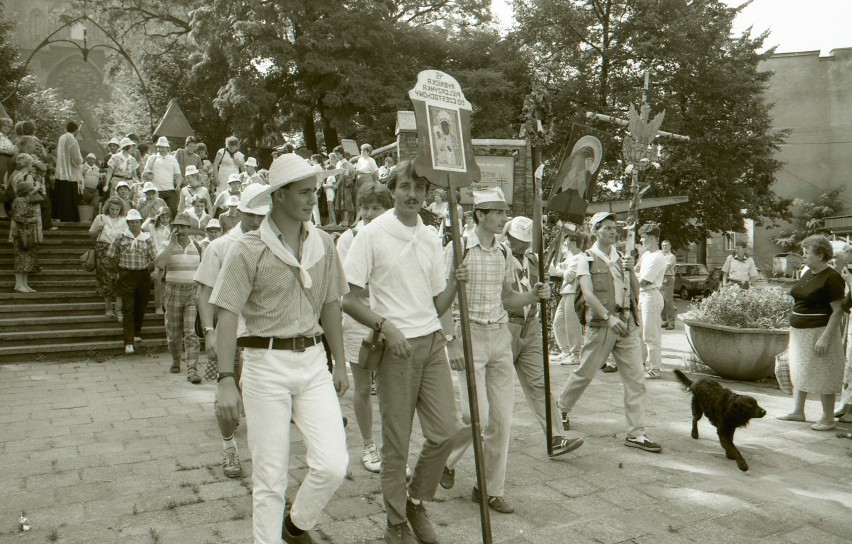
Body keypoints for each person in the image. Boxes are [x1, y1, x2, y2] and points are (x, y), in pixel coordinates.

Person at [211, 154, 348, 543]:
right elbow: (226, 314)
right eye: (303, 192)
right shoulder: (247, 249)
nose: (311, 200)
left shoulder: (323, 243)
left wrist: (339, 364)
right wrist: (225, 379)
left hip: (314, 361)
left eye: (314, 192)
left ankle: (296, 525)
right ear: (280, 196)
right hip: (264, 364)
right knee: (270, 478)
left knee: (333, 465)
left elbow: (331, 306)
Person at [342, 160, 467, 544]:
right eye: (405, 186)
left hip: (430, 343)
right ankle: (396, 521)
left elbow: (435, 304)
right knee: (396, 444)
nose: (412, 194)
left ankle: (414, 498)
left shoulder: (430, 236)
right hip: (394, 348)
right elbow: (348, 298)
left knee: (447, 431)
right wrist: (385, 325)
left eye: (419, 188)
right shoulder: (372, 233)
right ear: (392, 189)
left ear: (428, 194)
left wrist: (455, 281)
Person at [440, 188, 550, 515]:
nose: (504, 218)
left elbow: (506, 298)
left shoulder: (503, 253)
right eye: (498, 212)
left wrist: (532, 296)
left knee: (501, 421)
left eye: (504, 212)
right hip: (469, 335)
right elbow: (443, 299)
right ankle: (444, 461)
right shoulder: (457, 249)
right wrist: (452, 340)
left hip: (499, 336)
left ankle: (489, 490)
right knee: (477, 415)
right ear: (480, 215)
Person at [556, 212, 663, 453]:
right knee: (585, 372)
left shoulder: (622, 258)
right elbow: (588, 294)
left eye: (614, 228)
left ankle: (636, 433)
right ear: (595, 231)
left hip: (627, 325)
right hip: (603, 325)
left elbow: (635, 292)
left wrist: (630, 271)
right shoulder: (587, 258)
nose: (613, 232)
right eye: (606, 228)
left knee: (636, 380)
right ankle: (561, 409)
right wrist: (607, 316)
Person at [195, 183, 269, 479]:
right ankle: (229, 448)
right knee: (227, 396)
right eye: (252, 215)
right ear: (240, 211)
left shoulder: (272, 243)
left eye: (262, 216)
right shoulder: (221, 246)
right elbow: (204, 292)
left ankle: (264, 456)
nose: (257, 221)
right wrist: (209, 330)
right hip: (230, 334)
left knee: (259, 398)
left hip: (262, 335)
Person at [503, 216, 585, 456]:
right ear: (507, 236)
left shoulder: (533, 260)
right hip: (504, 327)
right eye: (517, 240)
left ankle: (555, 437)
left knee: (540, 384)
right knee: (495, 389)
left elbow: (543, 286)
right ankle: (464, 448)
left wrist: (545, 291)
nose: (521, 245)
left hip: (530, 328)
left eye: (525, 241)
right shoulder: (499, 257)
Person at [335, 182, 392, 474]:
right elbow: (350, 285)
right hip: (359, 321)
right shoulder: (349, 238)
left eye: (376, 207)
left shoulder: (394, 236)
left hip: (391, 320)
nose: (369, 213)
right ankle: (369, 445)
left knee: (389, 389)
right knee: (361, 386)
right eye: (365, 207)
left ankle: (391, 449)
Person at [777, 235, 846, 431]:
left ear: (821, 255)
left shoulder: (832, 278)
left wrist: (825, 337)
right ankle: (798, 411)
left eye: (807, 253)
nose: (804, 256)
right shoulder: (809, 273)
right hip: (800, 332)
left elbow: (838, 311)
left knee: (823, 372)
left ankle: (827, 418)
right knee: (800, 370)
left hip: (819, 332)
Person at [155, 212, 203, 382]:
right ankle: (176, 359)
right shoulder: (166, 244)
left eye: (183, 227)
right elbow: (160, 264)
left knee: (191, 333)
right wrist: (171, 244)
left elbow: (204, 270)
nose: (180, 230)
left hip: (192, 292)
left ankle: (192, 369)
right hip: (172, 291)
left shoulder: (198, 247)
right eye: (177, 226)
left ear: (189, 229)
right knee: (173, 332)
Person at [106, 208, 156, 354]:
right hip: (126, 274)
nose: (134, 224)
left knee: (141, 305)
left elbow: (154, 256)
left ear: (140, 222)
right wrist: (118, 271)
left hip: (142, 275)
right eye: (132, 222)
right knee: (128, 307)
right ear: (127, 223)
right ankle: (128, 341)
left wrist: (154, 269)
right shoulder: (121, 236)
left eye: (137, 222)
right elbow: (110, 255)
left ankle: (136, 333)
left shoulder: (147, 237)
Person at [634, 223, 666, 380]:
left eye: (643, 238)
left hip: (651, 295)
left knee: (650, 334)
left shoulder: (658, 257)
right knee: (639, 333)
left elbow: (643, 281)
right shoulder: (646, 255)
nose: (641, 241)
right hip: (642, 296)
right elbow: (635, 270)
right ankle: (640, 364)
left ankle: (655, 368)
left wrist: (633, 276)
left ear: (653, 238)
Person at [550, 230, 584, 366]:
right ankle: (565, 351)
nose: (565, 244)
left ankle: (575, 354)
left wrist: (558, 271)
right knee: (558, 322)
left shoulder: (580, 257)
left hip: (573, 292)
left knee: (572, 324)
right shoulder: (569, 256)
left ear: (574, 243)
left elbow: (569, 276)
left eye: (567, 241)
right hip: (566, 292)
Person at [89, 197, 127, 319]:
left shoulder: (125, 220)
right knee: (106, 280)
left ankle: (118, 309)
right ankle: (108, 308)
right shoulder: (100, 218)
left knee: (120, 279)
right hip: (103, 252)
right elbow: (91, 235)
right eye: (112, 209)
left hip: (118, 252)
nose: (114, 211)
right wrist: (98, 228)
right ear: (107, 208)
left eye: (117, 209)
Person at [9, 176, 42, 293]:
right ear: (26, 191)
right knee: (21, 257)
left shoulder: (25, 201)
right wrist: (30, 220)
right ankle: (18, 284)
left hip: (26, 231)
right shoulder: (20, 201)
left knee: (26, 258)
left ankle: (24, 283)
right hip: (20, 232)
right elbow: (17, 216)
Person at [53, 121, 84, 223]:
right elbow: (76, 159)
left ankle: (58, 215)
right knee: (69, 196)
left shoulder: (61, 138)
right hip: (70, 172)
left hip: (60, 170)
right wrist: (80, 162)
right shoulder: (73, 141)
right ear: (75, 130)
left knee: (60, 194)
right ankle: (69, 217)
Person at [144, 137, 182, 218]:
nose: (160, 149)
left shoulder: (173, 160)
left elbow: (178, 175)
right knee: (156, 213)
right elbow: (145, 172)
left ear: (168, 148)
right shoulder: (152, 158)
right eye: (159, 147)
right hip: (155, 191)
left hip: (170, 190)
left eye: (163, 147)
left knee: (171, 212)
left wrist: (178, 185)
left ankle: (170, 230)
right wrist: (148, 174)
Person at [660, 240, 676, 330]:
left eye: (666, 245)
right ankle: (665, 320)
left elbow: (666, 268)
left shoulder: (671, 256)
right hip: (660, 279)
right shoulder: (661, 256)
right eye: (663, 246)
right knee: (661, 301)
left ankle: (671, 323)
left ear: (670, 246)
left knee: (668, 301)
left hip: (667, 278)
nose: (664, 247)